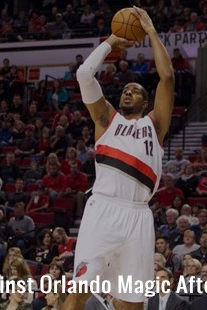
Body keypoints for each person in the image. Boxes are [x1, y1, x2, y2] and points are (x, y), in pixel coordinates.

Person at [64, 7, 174, 310]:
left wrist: (150, 31)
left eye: (135, 90)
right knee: (79, 289)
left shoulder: (156, 125)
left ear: (145, 101)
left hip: (138, 215)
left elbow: (168, 77)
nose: (127, 93)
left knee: (132, 302)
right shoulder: (105, 119)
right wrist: (112, 40)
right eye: (125, 90)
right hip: (103, 209)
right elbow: (84, 74)